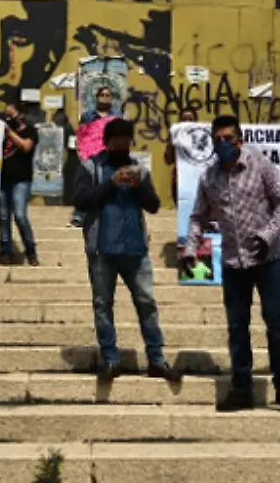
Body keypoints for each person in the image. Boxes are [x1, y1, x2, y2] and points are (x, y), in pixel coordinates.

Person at [183, 115, 280, 414]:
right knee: (237, 327)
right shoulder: (208, 177)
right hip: (234, 263)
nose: (224, 145)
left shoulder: (260, 165)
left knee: (275, 322)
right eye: (218, 139)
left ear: (240, 140)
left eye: (230, 139)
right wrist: (189, 250)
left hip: (267, 259)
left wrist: (266, 235)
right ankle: (241, 388)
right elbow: (198, 216)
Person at [73, 118, 181, 383]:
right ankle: (111, 359)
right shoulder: (90, 167)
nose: (120, 144)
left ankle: (156, 359)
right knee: (102, 304)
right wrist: (110, 183)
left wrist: (140, 186)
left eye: (125, 139)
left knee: (146, 303)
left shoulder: (139, 169)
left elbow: (154, 205)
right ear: (106, 142)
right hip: (102, 249)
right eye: (115, 139)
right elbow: (81, 200)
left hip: (135, 250)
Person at [71, 86, 121, 227]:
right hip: (90, 155)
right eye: (102, 95)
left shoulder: (116, 117)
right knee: (85, 184)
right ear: (97, 98)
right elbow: (80, 136)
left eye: (108, 95)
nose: (105, 97)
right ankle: (79, 215)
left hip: (109, 156)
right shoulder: (88, 116)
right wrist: (80, 153)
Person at [0, 102, 39, 265]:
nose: (8, 119)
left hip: (21, 180)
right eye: (6, 116)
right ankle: (6, 251)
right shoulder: (0, 133)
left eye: (11, 115)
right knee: (3, 217)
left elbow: (26, 147)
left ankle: (30, 250)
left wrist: (9, 132)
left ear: (20, 115)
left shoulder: (30, 130)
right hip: (2, 180)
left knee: (20, 215)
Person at [164, 108, 198, 201]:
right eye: (184, 119)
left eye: (190, 120)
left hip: (196, 180)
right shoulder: (175, 137)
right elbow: (168, 160)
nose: (187, 122)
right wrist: (171, 141)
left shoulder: (201, 137)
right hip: (179, 180)